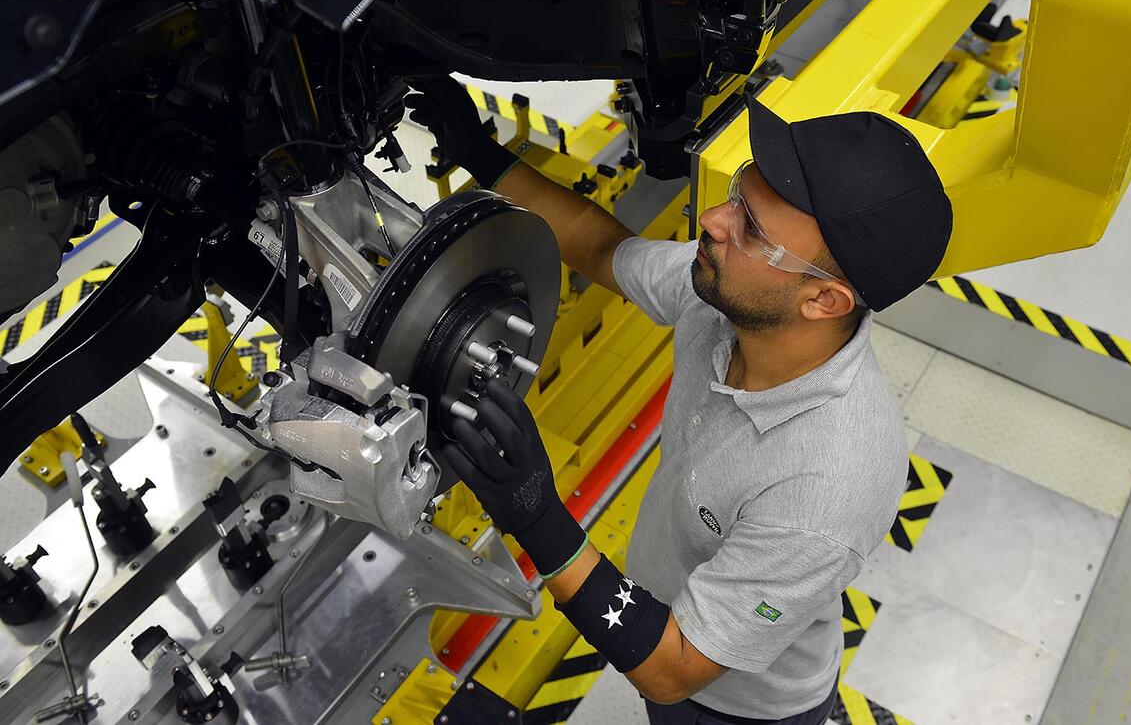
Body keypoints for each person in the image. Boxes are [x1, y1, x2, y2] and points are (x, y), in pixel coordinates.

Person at [405, 77, 953, 724]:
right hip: (665, 609)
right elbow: (602, 247)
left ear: (823, 300)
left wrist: (536, 515)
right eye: (735, 195)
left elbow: (673, 670)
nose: (713, 221)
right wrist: (482, 152)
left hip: (734, 702)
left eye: (751, 228)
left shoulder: (826, 485)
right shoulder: (727, 298)